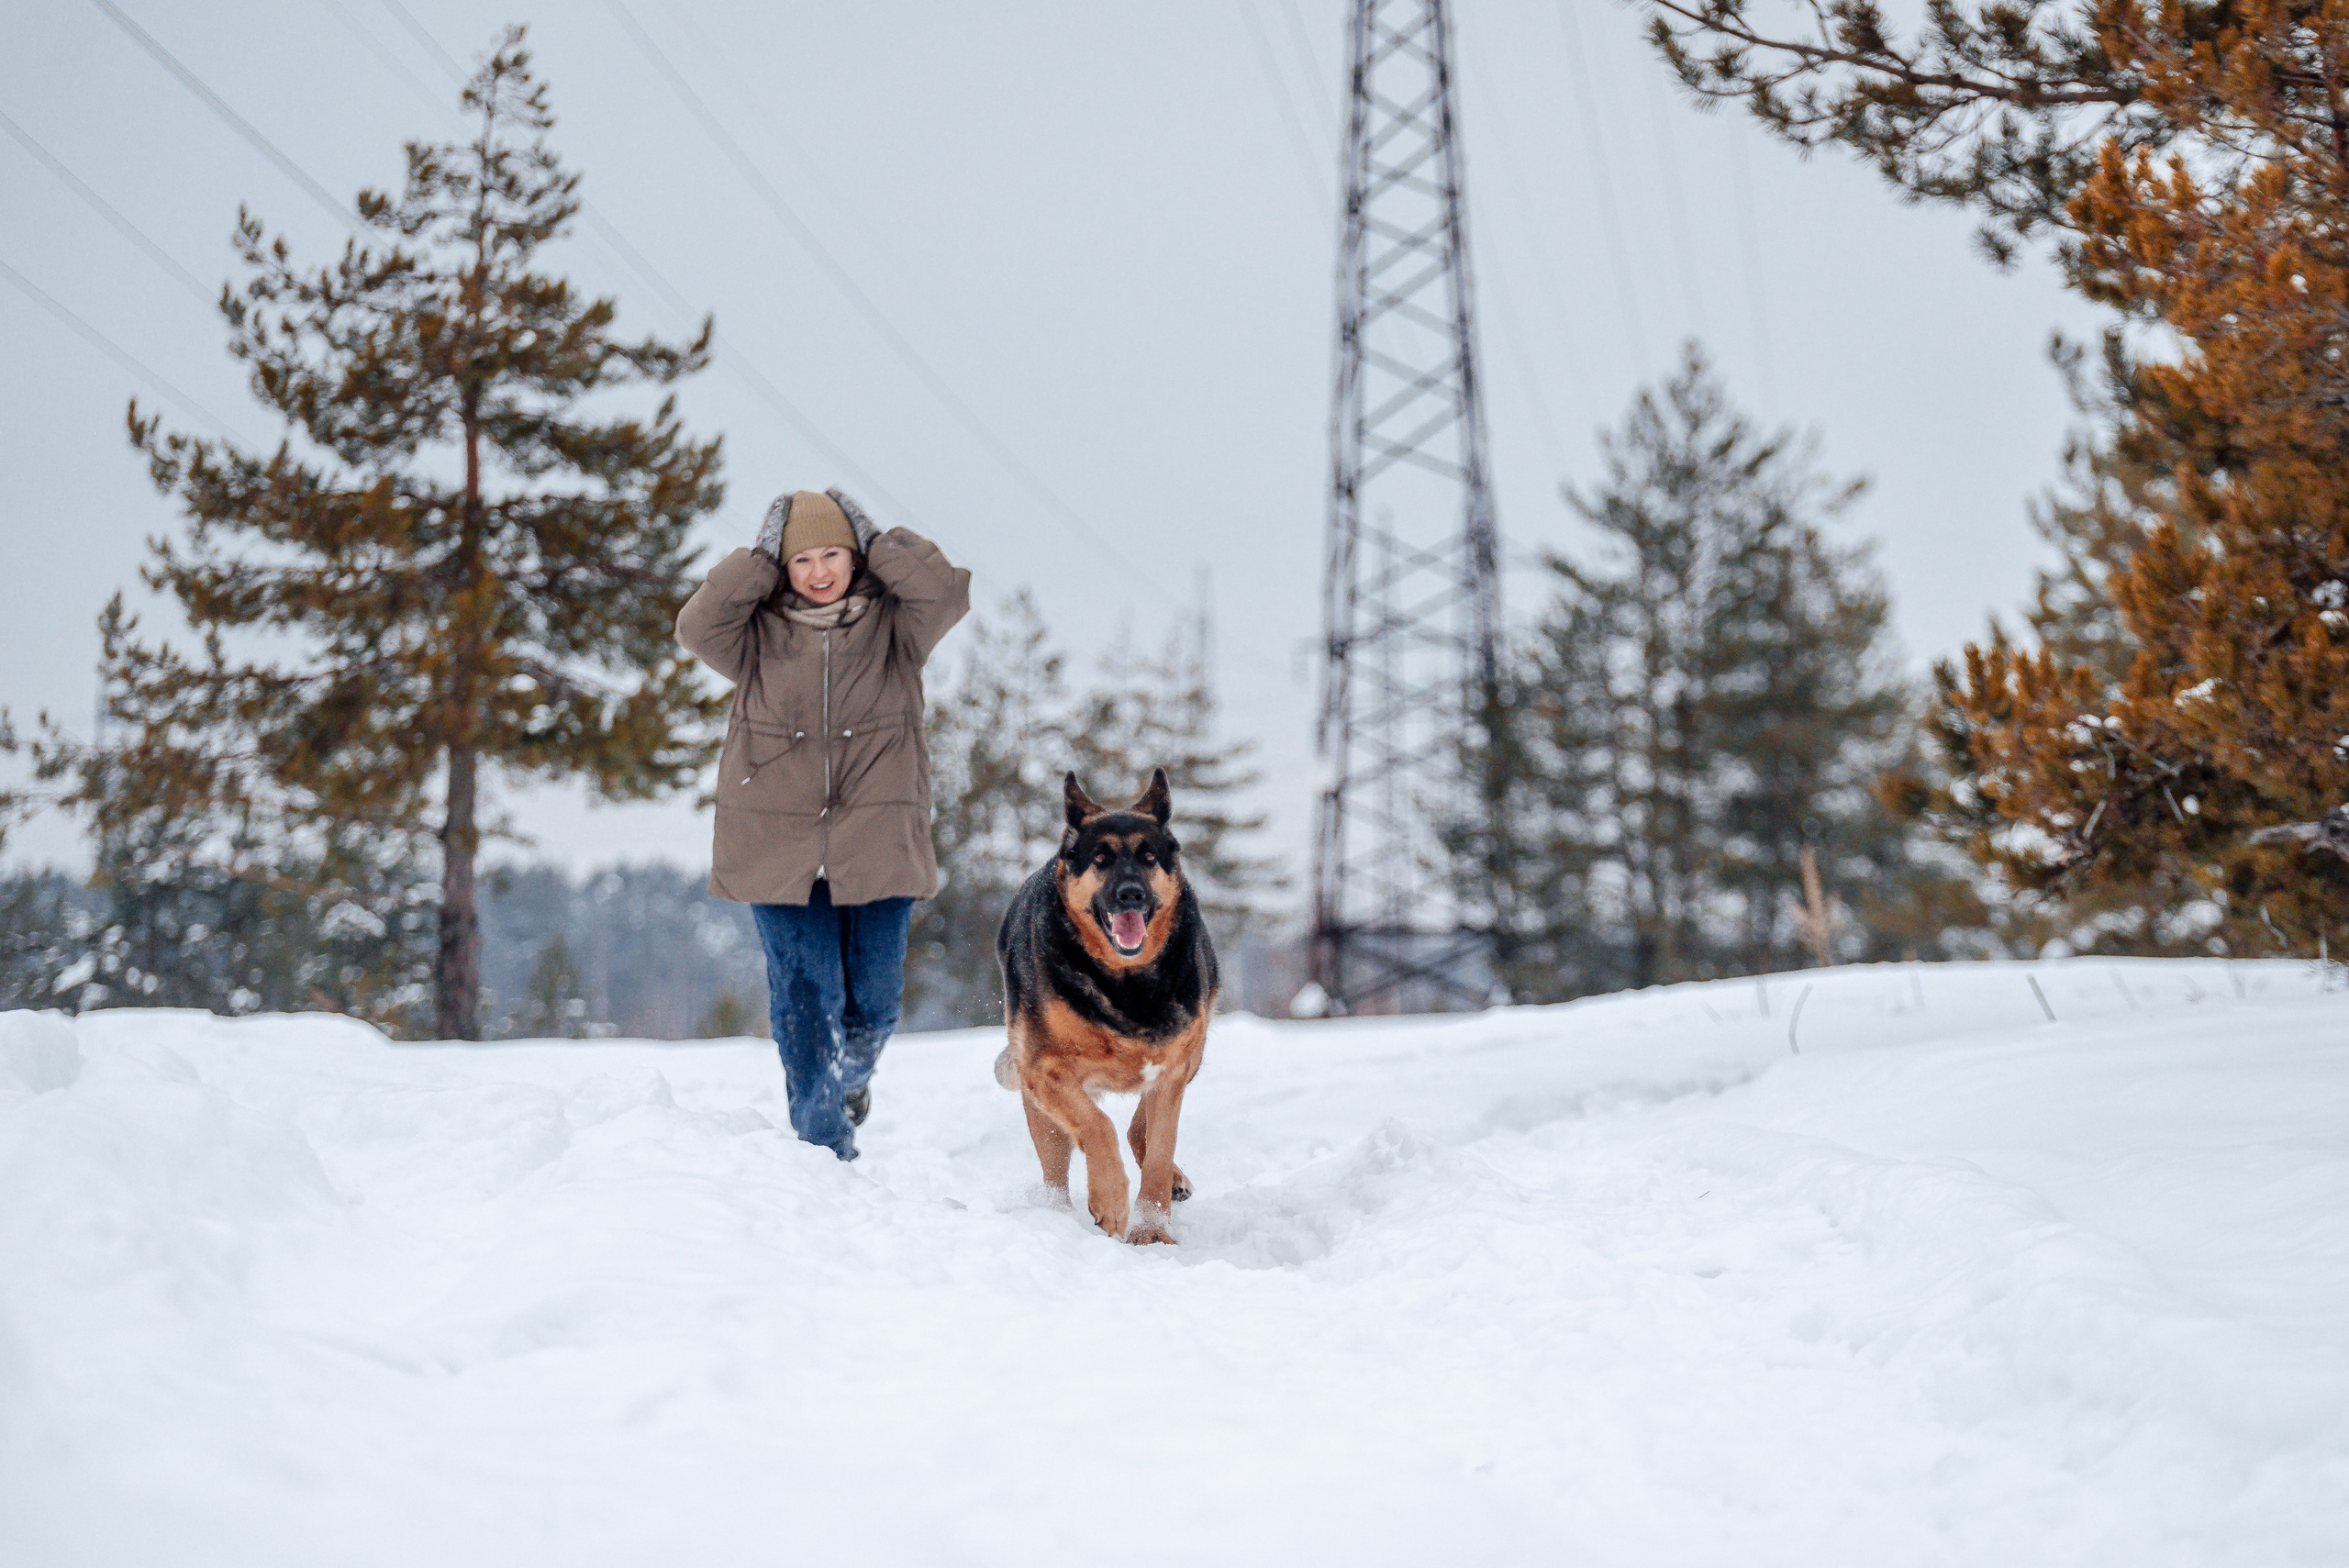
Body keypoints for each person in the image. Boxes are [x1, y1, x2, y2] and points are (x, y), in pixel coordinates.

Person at [676, 489, 970, 1159]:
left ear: (854, 553)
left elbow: (945, 594)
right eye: (800, 558)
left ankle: (854, 1076)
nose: (817, 571)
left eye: (832, 553)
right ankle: (823, 1143)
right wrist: (758, 558)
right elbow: (696, 626)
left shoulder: (897, 627)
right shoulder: (755, 633)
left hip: (876, 841)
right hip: (776, 846)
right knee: (806, 1002)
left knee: (873, 1001)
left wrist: (881, 542)